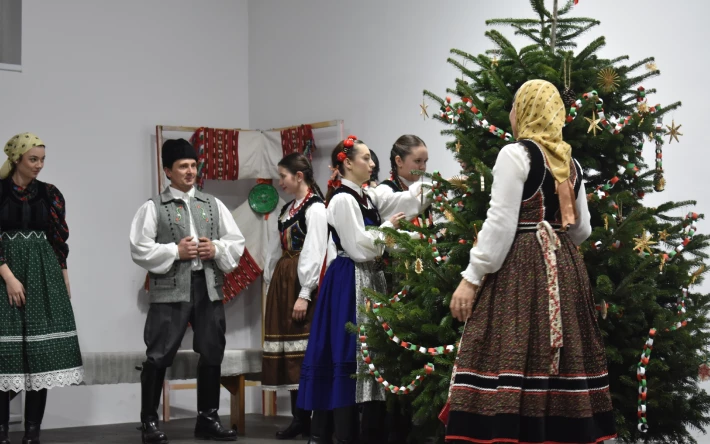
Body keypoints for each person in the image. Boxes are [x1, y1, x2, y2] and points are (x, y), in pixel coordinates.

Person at [444, 80, 617, 443]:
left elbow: (500, 223)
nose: (511, 114)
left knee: (511, 348)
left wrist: (471, 277)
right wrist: (557, 243)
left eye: (514, 106)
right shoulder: (570, 161)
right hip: (565, 268)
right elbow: (582, 230)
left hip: (521, 268)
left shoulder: (515, 154)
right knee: (559, 358)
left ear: (526, 111)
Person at [297, 135, 430, 444]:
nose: (372, 164)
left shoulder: (366, 196)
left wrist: (437, 189)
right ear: (347, 163)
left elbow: (404, 202)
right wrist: (389, 229)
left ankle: (363, 430)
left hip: (368, 276)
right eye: (366, 158)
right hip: (349, 278)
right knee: (348, 351)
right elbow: (358, 246)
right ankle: (341, 433)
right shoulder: (343, 199)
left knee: (367, 352)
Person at [129, 138, 245, 443]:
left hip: (208, 287)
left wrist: (215, 249)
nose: (190, 171)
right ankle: (149, 421)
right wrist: (174, 251)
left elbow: (235, 241)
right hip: (170, 289)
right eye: (183, 166)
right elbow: (139, 248)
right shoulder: (154, 207)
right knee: (158, 353)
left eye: (193, 165)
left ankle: (208, 418)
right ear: (168, 170)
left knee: (212, 351)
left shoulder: (212, 205)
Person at [0, 133, 84, 444]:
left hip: (43, 274)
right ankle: (2, 433)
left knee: (41, 355)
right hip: (5, 273)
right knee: (5, 355)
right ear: (16, 159)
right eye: (33, 159)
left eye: (42, 159)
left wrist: (64, 275)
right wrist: (8, 277)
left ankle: (32, 432)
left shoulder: (50, 194)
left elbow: (57, 238)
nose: (39, 165)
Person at [262, 153, 328, 440]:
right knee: (290, 351)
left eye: (283, 176)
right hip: (284, 281)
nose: (280, 182)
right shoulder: (288, 209)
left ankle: (312, 418)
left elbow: (316, 251)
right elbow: (274, 249)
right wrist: (271, 282)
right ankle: (298, 418)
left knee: (303, 350)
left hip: (302, 282)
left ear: (299, 176)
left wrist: (305, 293)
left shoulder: (316, 208)